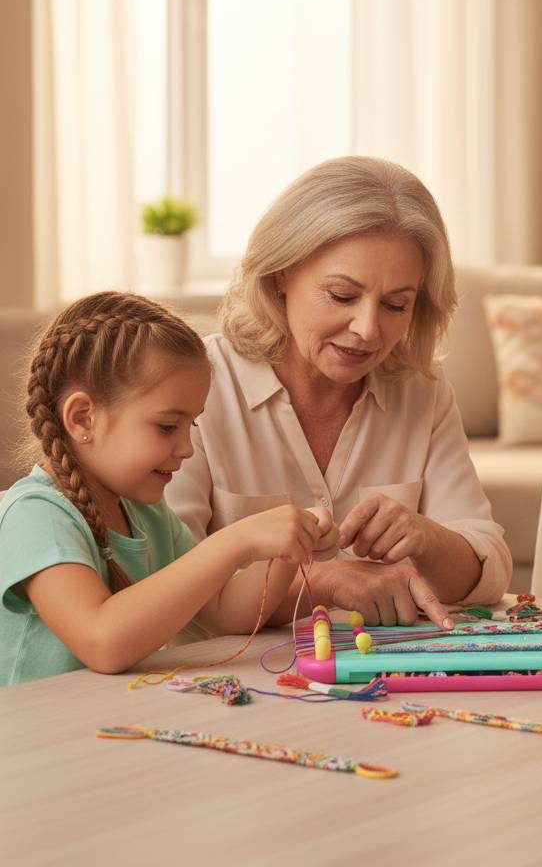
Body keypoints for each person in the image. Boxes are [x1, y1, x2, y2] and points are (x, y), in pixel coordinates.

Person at [165, 156, 512, 628]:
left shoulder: (421, 390)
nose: (368, 330)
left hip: (381, 684)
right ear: (281, 274)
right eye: (343, 296)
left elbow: (488, 568)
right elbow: (167, 584)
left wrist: (428, 539)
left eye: (396, 304)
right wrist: (323, 582)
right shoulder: (199, 384)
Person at [0, 292, 338, 685]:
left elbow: (226, 612)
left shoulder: (145, 513)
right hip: (39, 740)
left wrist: (286, 552)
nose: (186, 449)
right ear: (82, 418)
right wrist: (235, 541)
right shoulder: (36, 515)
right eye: (166, 427)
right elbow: (102, 641)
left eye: (191, 425)